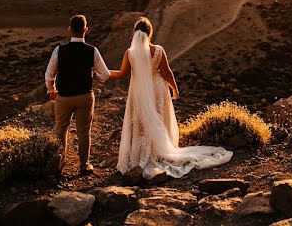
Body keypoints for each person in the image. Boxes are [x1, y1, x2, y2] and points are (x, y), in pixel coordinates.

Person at [108, 17, 232, 179]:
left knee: (142, 122)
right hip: (158, 89)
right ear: (150, 33)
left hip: (138, 91)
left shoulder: (130, 53)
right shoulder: (158, 50)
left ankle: (141, 154)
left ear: (134, 33)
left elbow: (122, 74)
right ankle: (159, 151)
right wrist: (174, 88)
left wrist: (104, 73)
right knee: (159, 118)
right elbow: (166, 72)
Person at [44, 14, 111, 175]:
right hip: (84, 97)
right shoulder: (92, 51)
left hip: (64, 97)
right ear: (85, 30)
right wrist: (93, 74)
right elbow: (105, 75)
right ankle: (84, 165)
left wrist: (52, 90)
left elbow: (49, 75)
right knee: (83, 131)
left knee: (60, 129)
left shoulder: (59, 50)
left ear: (69, 29)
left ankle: (58, 165)